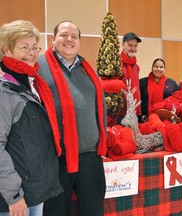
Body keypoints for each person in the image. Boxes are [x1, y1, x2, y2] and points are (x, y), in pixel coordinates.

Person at [37, 21, 107, 216]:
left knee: (93, 210)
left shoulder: (87, 69)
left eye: (74, 36)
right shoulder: (39, 66)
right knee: (56, 211)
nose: (69, 40)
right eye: (64, 35)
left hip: (90, 156)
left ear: (79, 41)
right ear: (53, 39)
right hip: (56, 157)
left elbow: (99, 108)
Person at [0, 20, 62, 216]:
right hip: (15, 197)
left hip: (34, 190)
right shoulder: (5, 90)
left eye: (35, 47)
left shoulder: (32, 83)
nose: (32, 53)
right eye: (24, 47)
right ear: (7, 50)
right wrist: (13, 196)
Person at [121, 32, 142, 116]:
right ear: (123, 45)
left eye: (135, 46)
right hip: (120, 113)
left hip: (134, 112)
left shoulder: (136, 67)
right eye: (130, 45)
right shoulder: (116, 64)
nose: (133, 48)